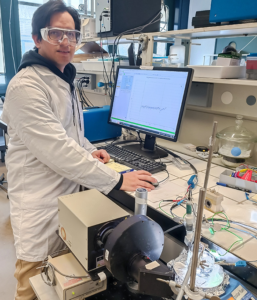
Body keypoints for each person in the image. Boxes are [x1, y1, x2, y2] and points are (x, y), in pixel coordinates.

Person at [1, 1, 157, 299]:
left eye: (72, 34)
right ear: (36, 38)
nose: (66, 42)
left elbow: (69, 134)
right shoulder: (26, 86)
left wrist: (88, 151)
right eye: (55, 33)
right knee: (34, 284)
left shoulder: (63, 77)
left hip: (68, 199)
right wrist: (119, 180)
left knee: (66, 282)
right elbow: (56, 149)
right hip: (40, 205)